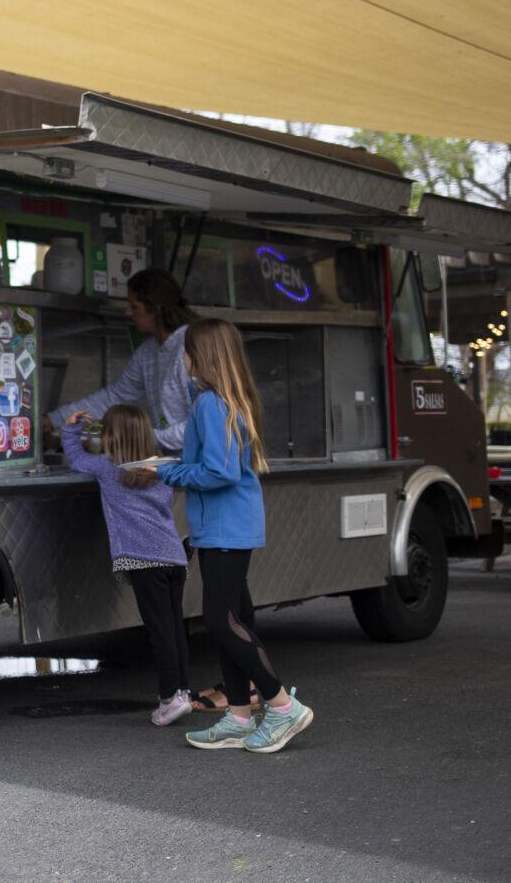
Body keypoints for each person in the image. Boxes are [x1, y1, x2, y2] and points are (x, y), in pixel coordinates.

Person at [153, 318, 314, 753]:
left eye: (185, 351)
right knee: (234, 619)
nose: (181, 359)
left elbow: (218, 472)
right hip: (229, 527)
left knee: (221, 622)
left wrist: (166, 470)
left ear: (198, 356)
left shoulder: (209, 403)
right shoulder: (226, 398)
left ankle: (282, 707)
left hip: (224, 527)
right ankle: (239, 715)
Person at [60, 403, 192, 726]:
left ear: (112, 439)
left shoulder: (108, 470)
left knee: (159, 632)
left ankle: (168, 699)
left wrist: (70, 428)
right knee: (175, 628)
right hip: (175, 557)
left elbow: (75, 459)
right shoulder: (161, 472)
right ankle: (184, 692)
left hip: (145, 561)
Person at [50, 269, 197, 453]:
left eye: (134, 306)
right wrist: (55, 419)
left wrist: (139, 439)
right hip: (177, 466)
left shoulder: (190, 346)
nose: (128, 312)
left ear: (156, 309)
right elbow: (114, 396)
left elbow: (201, 427)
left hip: (201, 469)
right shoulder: (148, 352)